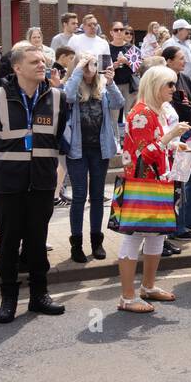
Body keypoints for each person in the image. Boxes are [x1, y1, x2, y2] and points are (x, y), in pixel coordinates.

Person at [0, 45, 69, 323]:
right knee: (9, 242)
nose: (42, 65)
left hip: (41, 181)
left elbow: (56, 136)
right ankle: (8, 299)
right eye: (35, 61)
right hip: (7, 183)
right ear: (17, 68)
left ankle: (40, 295)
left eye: (43, 61)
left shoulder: (59, 98)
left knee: (38, 241)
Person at [114, 65, 187, 312]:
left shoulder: (158, 111)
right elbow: (144, 155)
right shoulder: (141, 113)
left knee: (157, 236)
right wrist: (170, 138)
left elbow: (158, 149)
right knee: (133, 238)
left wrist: (176, 146)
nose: (174, 89)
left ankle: (148, 286)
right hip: (141, 183)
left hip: (158, 182)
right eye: (170, 84)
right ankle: (126, 296)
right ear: (156, 85)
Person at [64, 53, 125, 263]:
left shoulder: (103, 87)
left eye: (92, 64)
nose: (90, 68)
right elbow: (67, 97)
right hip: (78, 150)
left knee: (97, 196)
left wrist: (111, 82)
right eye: (86, 64)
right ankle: (76, 244)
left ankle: (96, 241)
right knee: (79, 196)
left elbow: (120, 102)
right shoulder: (73, 85)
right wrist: (78, 70)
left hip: (100, 150)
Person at [163, 45, 191, 240]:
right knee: (180, 181)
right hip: (178, 136)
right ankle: (178, 227)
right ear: (168, 61)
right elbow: (179, 107)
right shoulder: (167, 82)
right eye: (180, 58)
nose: (184, 61)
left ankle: (190, 221)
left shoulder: (185, 79)